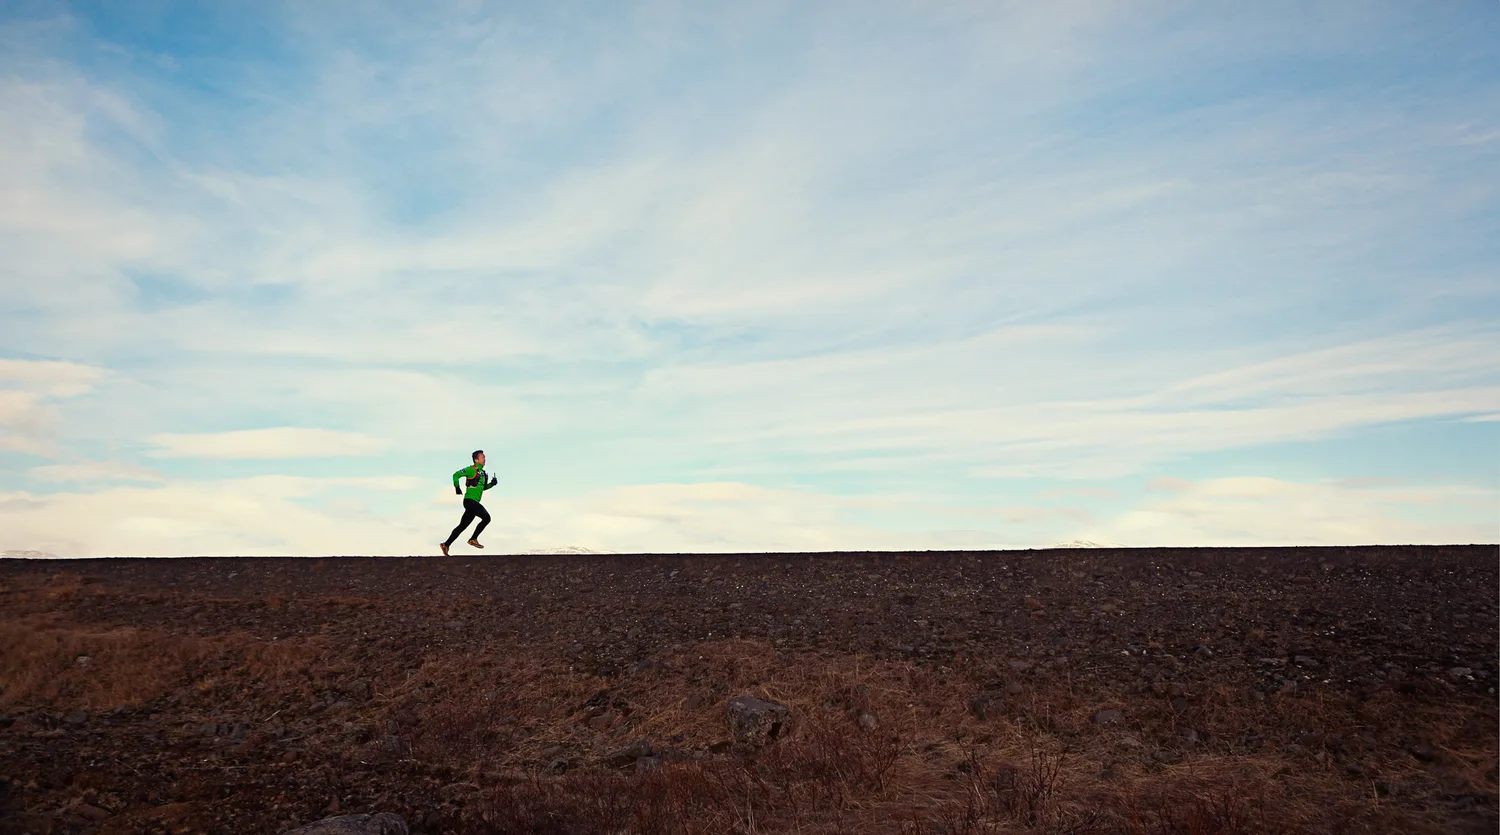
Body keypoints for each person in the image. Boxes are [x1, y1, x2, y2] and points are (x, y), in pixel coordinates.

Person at [440, 450, 497, 556]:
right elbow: (455, 475)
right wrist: (457, 487)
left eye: (485, 457)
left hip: (473, 503)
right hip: (470, 501)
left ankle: (446, 544)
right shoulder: (471, 469)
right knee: (486, 518)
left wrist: (492, 484)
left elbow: (482, 488)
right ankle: (473, 539)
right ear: (476, 460)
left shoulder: (483, 473)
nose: (485, 459)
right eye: (483, 457)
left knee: (462, 526)